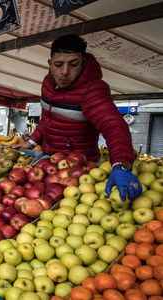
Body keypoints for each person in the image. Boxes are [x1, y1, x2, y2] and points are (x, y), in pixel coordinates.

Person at [18, 34, 141, 202]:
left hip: (80, 169)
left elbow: (114, 126)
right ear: (49, 64)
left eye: (73, 64)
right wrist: (32, 142)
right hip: (48, 162)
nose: (65, 72)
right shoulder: (47, 83)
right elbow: (47, 118)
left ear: (83, 61)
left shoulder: (92, 90)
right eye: (58, 64)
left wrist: (120, 164)